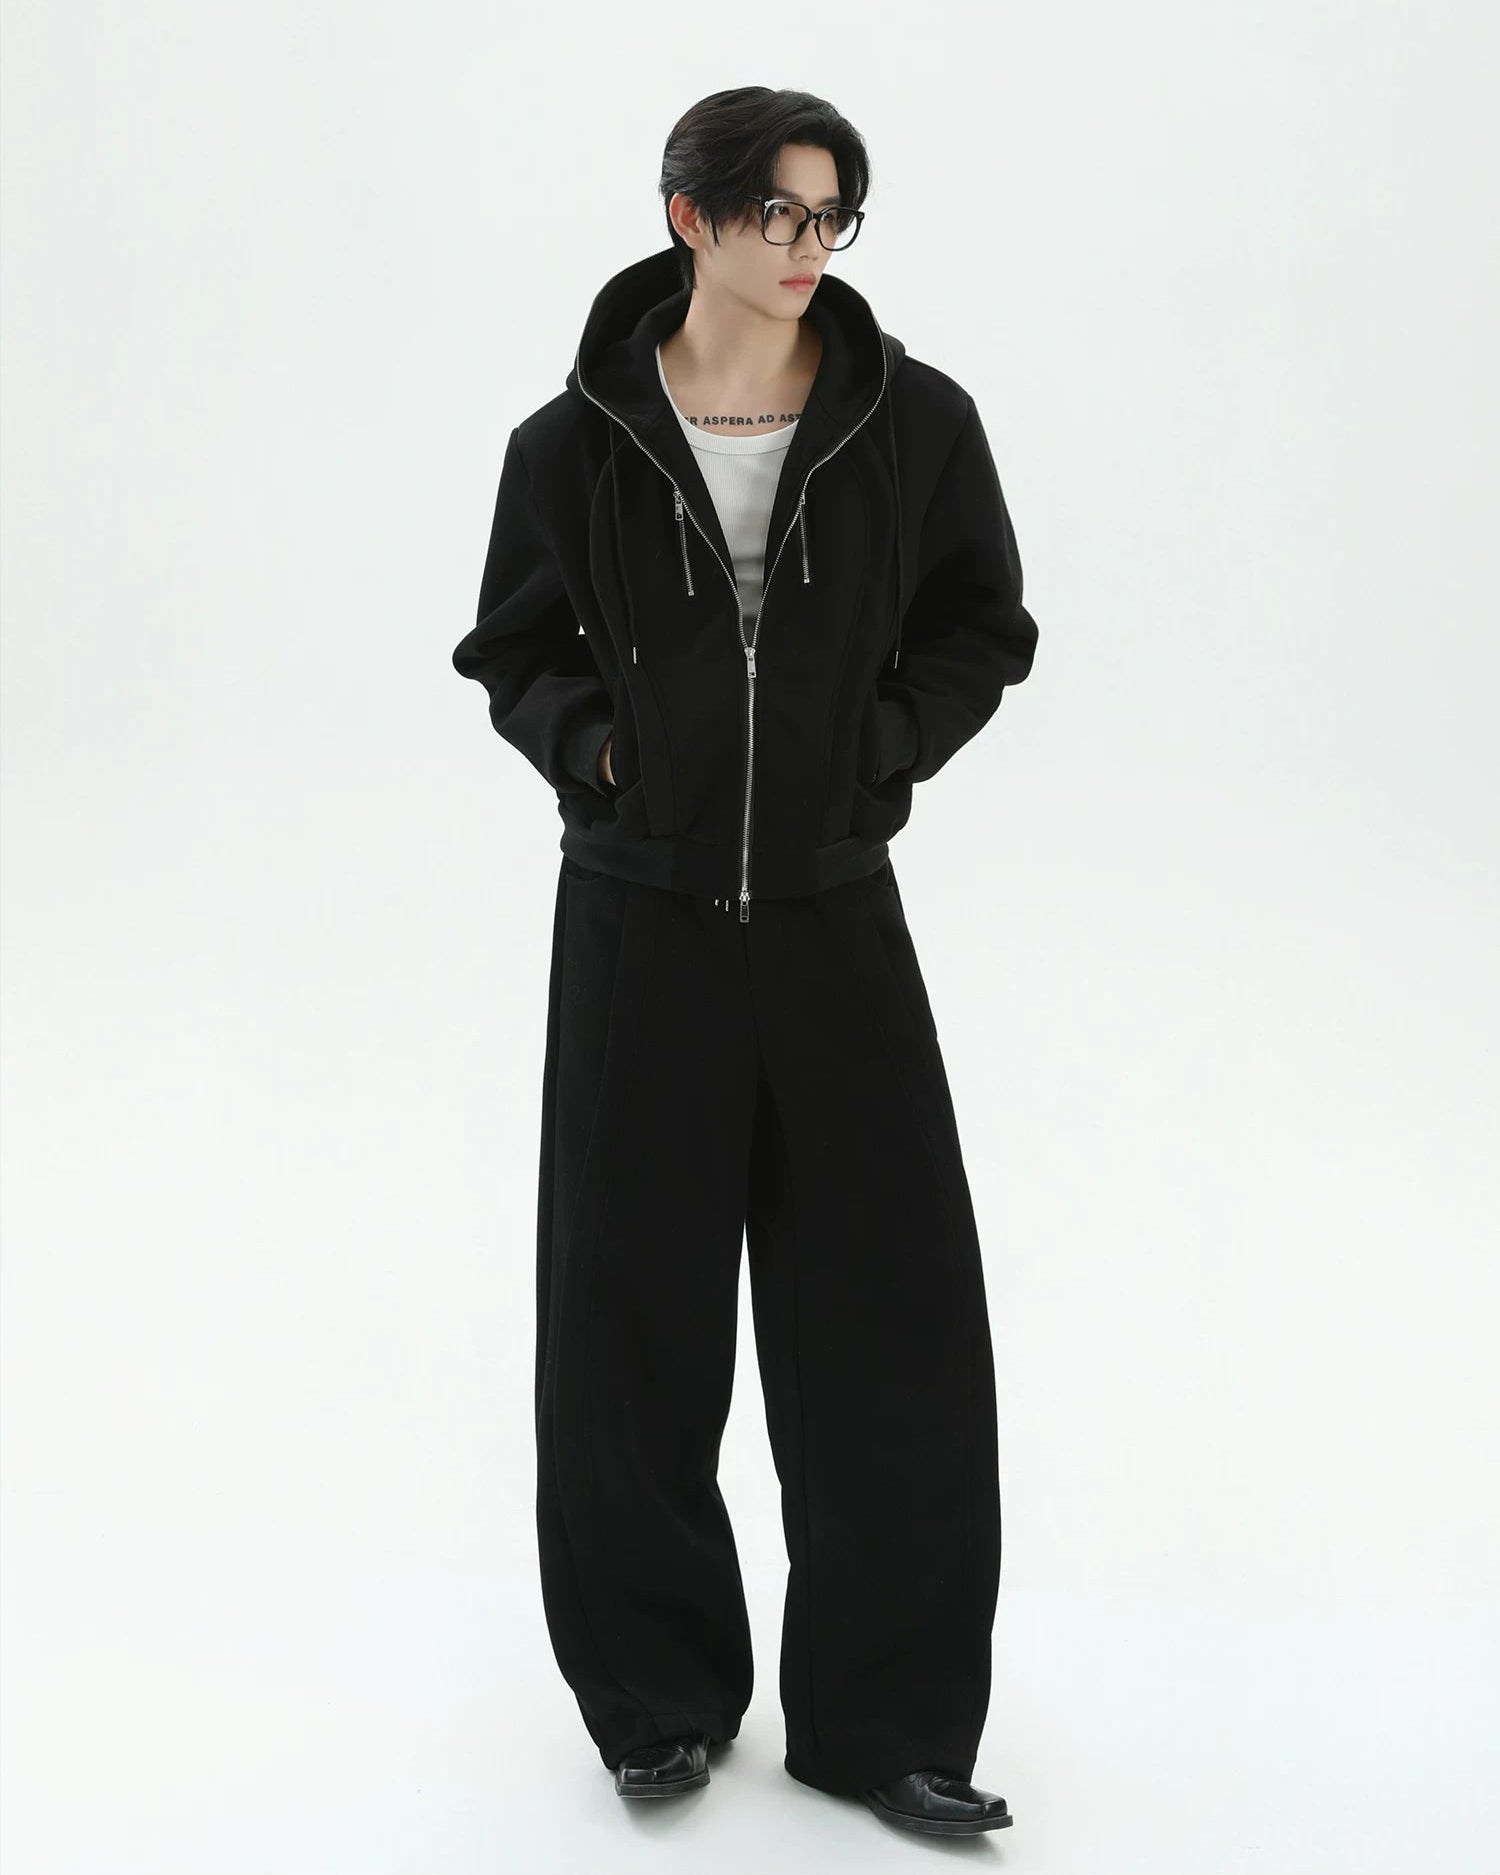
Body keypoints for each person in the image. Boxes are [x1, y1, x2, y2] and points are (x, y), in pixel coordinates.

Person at [452, 86, 1038, 1837]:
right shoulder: (573, 443)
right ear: (690, 218)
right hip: (639, 920)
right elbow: (513, 648)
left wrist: (884, 753)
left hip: (835, 914)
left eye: (832, 215)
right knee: (627, 1322)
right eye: (778, 212)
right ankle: (654, 1700)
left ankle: (891, 1727)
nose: (808, 246)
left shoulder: (913, 422)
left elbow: (982, 622)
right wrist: (601, 754)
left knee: (893, 1323)